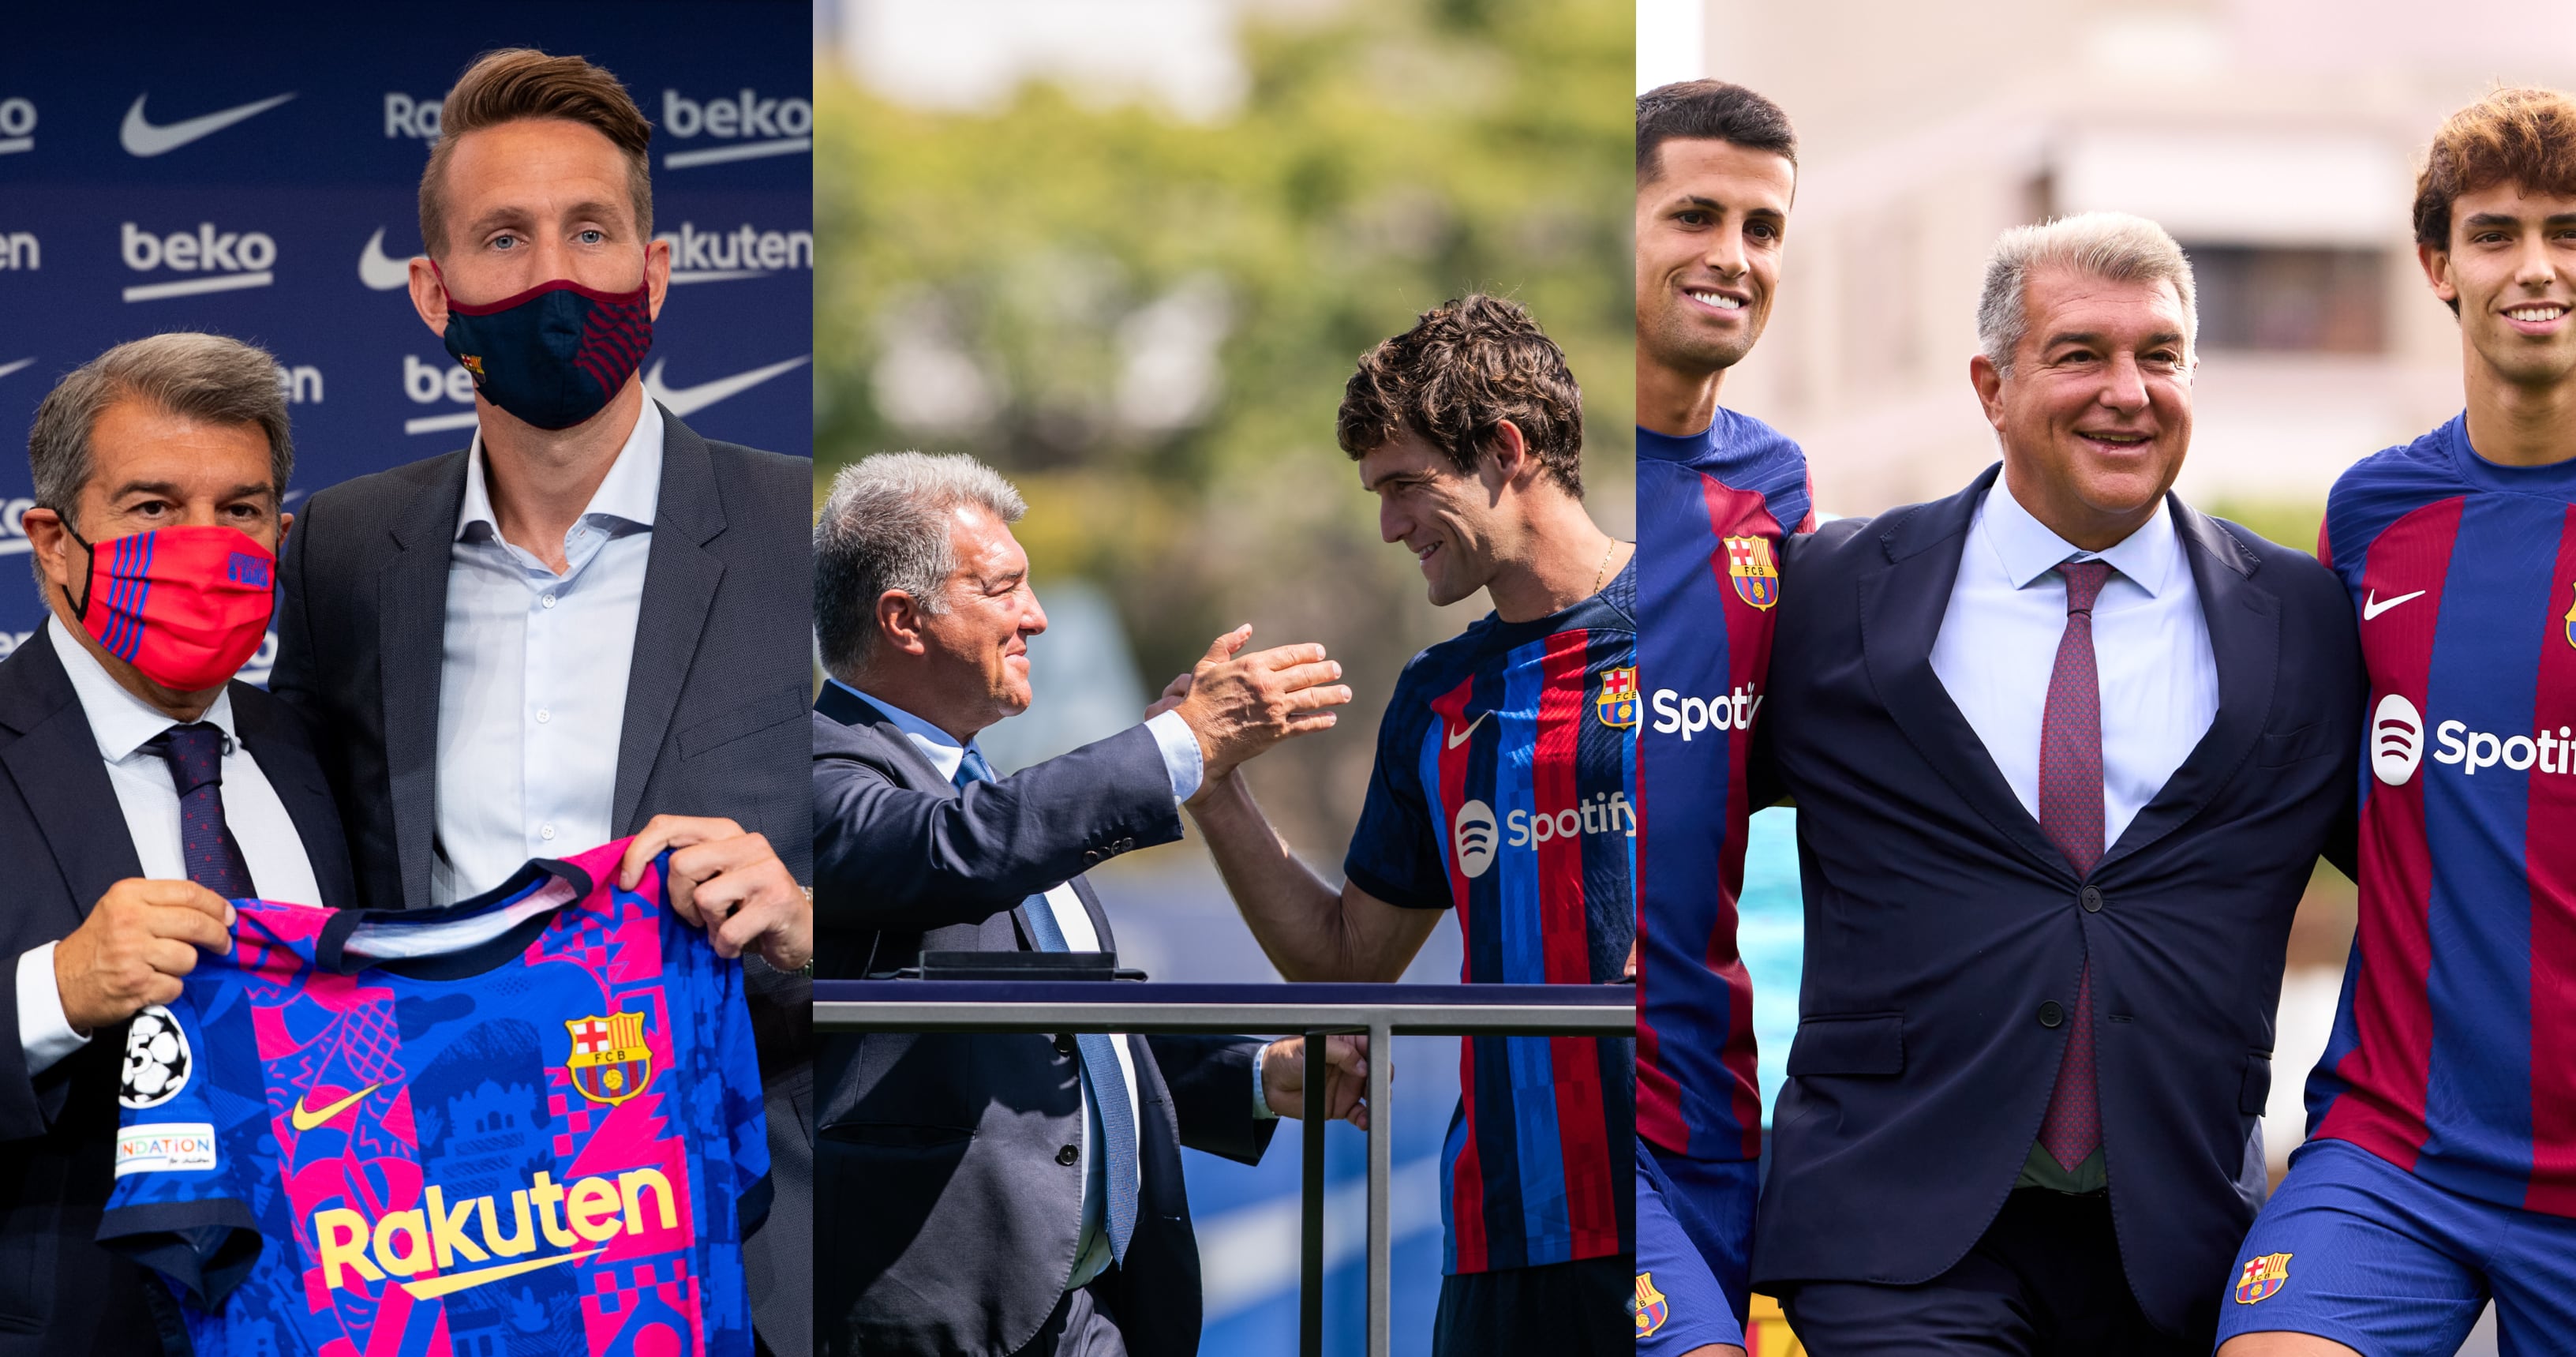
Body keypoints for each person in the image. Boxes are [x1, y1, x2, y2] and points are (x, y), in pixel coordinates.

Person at [264, 50, 814, 1355]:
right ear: (433, 293)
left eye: (591, 231)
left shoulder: (806, 528)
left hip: (733, 1229)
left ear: (657, 270)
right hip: (427, 1237)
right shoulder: (334, 551)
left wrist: (807, 910)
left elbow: (939, 851)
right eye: (504, 238)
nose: (556, 275)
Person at [1749, 212, 2363, 1354]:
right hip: (1889, 1226)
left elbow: (2435, 875)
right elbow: (1678, 814)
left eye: (2161, 356)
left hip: (2184, 1243)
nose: (2127, 390)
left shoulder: (2305, 621)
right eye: (2081, 352)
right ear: (1991, 384)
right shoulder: (1835, 589)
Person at [809, 451, 1367, 1357]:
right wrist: (1177, 745)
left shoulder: (987, 792)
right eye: (1002, 589)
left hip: (1078, 1317)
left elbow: (1059, 1034)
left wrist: (1253, 1077)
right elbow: (962, 851)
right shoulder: (821, 775)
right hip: (931, 1324)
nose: (1035, 617)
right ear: (904, 620)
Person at [1165, 294, 1634, 1356]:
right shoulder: (1437, 694)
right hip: (1503, 1237)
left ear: (1507, 450)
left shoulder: (1704, 631)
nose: (1387, 525)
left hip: (1686, 1213)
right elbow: (1346, 965)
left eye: (1405, 485)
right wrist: (1211, 784)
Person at [2216, 87, 2576, 1357]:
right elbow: (2344, 795)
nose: (2536, 267)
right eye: (2499, 233)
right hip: (2395, 1150)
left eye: (2570, 231)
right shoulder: (2372, 514)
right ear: (2439, 264)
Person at [0, 332, 357, 1355]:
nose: (204, 543)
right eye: (154, 507)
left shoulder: (315, 746)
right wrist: (56, 989)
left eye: (239, 510)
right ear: (53, 539)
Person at [1630, 79, 1816, 1357]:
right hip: (1568, 1098)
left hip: (1720, 1090)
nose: (1732, 256)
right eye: (1694, 213)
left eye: (1761, 228)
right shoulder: (1533, 472)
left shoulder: (1775, 485)